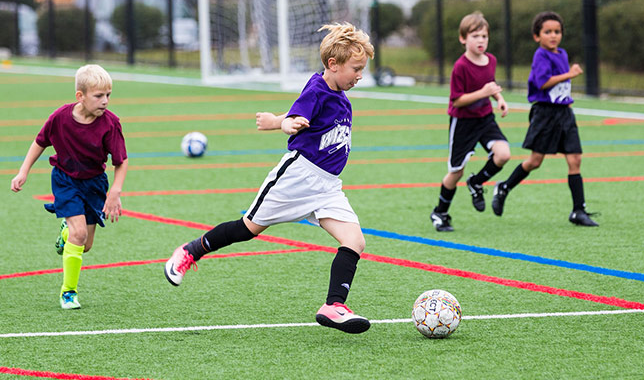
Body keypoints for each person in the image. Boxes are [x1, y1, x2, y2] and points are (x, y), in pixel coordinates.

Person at [164, 22, 375, 334]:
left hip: (328, 186)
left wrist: (275, 120)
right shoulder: (317, 89)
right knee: (248, 228)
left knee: (355, 241)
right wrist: (284, 124)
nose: (360, 76)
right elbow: (296, 116)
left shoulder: (342, 98)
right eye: (356, 69)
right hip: (297, 177)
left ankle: (333, 306)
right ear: (333, 64)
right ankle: (189, 251)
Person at [10, 64, 129, 309]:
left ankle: (66, 231)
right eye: (98, 96)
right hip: (65, 180)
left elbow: (121, 161)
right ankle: (68, 292)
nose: (105, 101)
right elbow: (39, 142)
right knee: (79, 234)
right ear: (80, 96)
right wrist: (24, 171)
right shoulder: (60, 117)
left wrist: (115, 191)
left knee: (85, 245)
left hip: (95, 183)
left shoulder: (111, 123)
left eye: (108, 95)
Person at [491, 11, 598, 226]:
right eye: (547, 32)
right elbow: (543, 82)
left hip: (564, 114)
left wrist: (566, 92)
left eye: (557, 31)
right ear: (536, 36)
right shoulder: (540, 55)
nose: (553, 36)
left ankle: (578, 210)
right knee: (535, 161)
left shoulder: (562, 54)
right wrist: (570, 74)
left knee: (575, 159)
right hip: (545, 114)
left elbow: (559, 86)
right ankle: (504, 187)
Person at [429, 11, 510, 232]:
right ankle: (440, 212)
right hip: (463, 122)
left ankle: (477, 183)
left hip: (485, 119)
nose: (481, 40)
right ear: (463, 39)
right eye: (475, 36)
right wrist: (484, 92)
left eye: (484, 36)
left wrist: (499, 99)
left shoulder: (491, 60)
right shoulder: (461, 67)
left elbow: (490, 84)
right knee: (456, 172)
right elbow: (458, 100)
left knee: (504, 154)